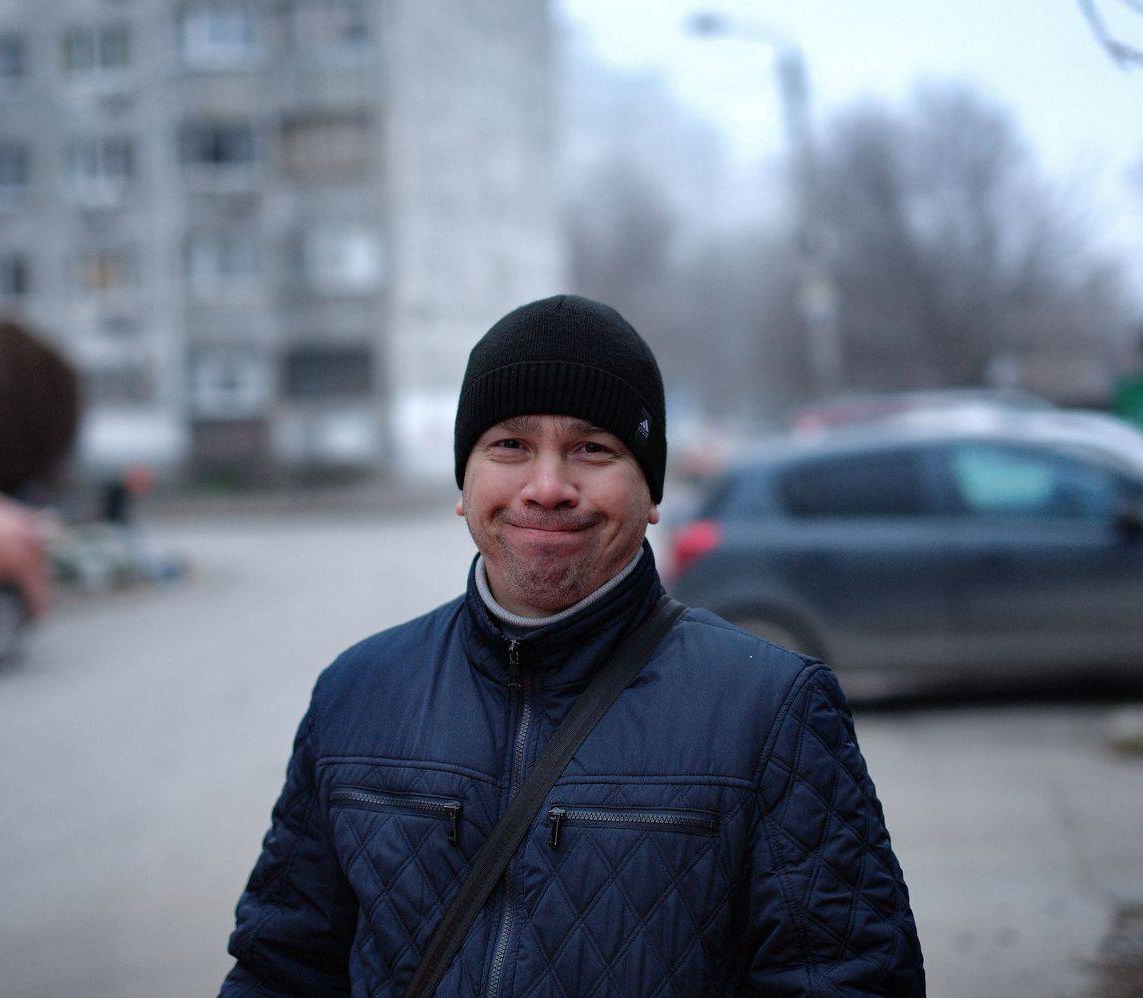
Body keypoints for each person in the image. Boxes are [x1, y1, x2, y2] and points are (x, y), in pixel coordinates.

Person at [221, 295, 924, 996]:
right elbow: (279, 971)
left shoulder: (769, 711)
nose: (549, 487)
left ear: (651, 493)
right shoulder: (356, 695)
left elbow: (851, 981)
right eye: (510, 445)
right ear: (465, 482)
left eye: (593, 448)